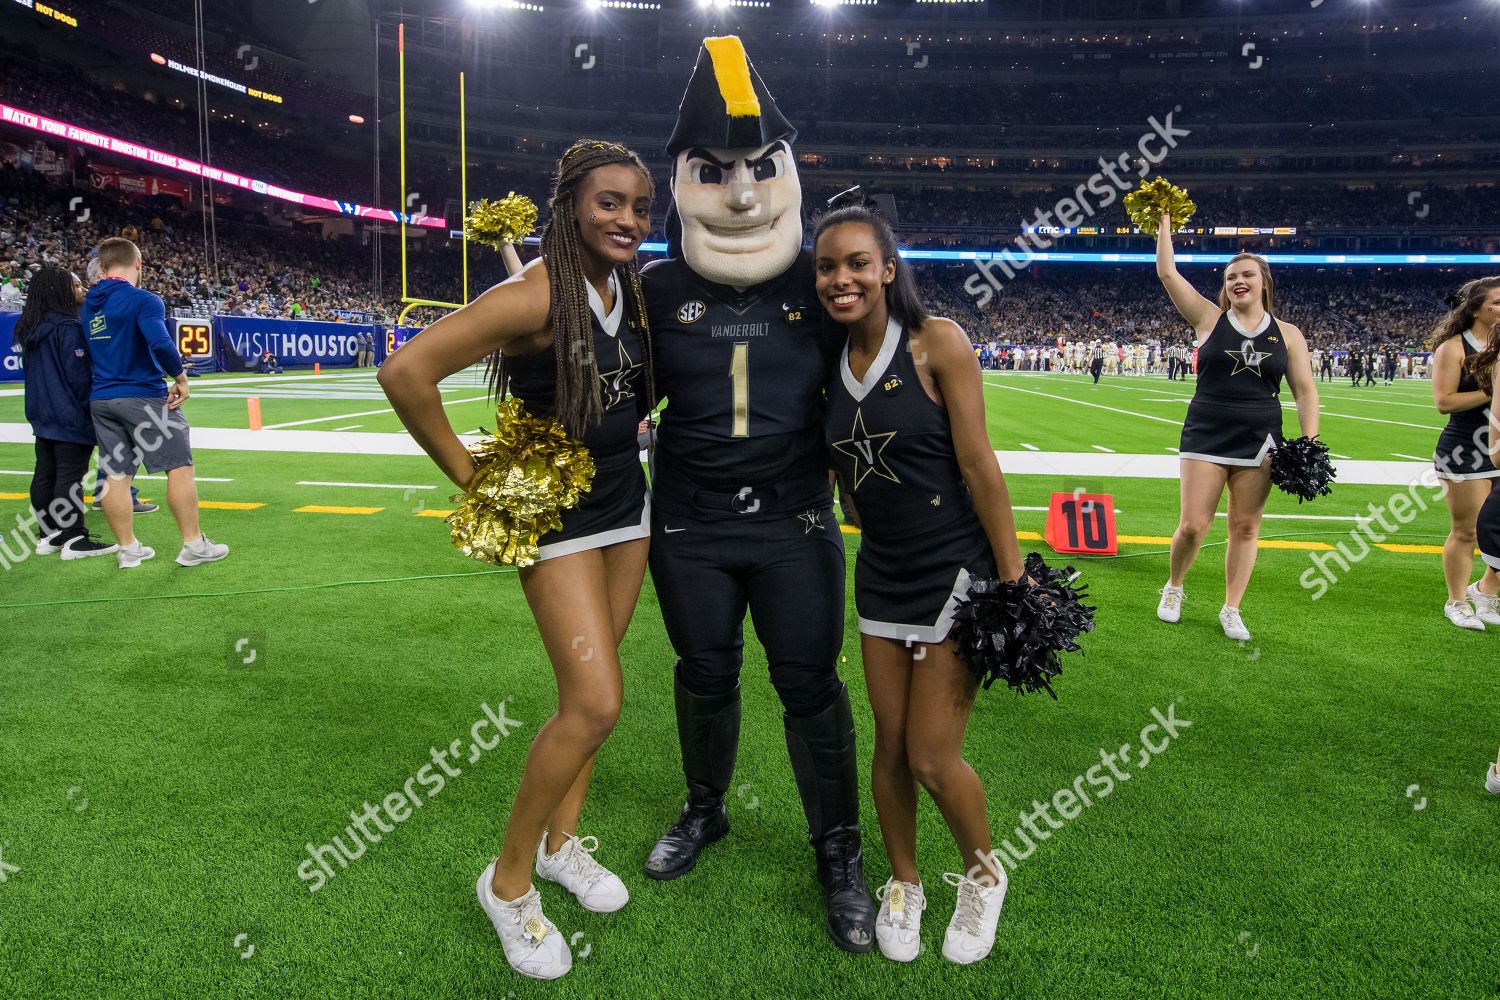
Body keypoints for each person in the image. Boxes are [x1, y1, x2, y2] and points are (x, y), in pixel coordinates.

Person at [379, 140, 656, 982]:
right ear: (572, 203)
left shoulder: (627, 287)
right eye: (609, 203)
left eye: (641, 209)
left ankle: (561, 848)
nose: (628, 221)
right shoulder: (534, 292)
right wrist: (478, 485)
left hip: (626, 507)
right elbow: (406, 371)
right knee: (594, 699)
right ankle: (507, 886)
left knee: (600, 701)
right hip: (559, 517)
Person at [639, 36, 876, 953]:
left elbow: (901, 361)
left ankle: (839, 852)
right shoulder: (656, 286)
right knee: (704, 674)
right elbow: (605, 385)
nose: (740, 197)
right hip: (689, 522)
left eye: (757, 173)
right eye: (714, 173)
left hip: (794, 520)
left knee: (809, 684)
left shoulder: (822, 284)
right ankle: (706, 808)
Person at [815, 200, 1025, 965]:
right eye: (828, 266)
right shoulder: (823, 364)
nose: (842, 279)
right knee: (891, 749)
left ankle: (982, 875)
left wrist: (1013, 582)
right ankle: (904, 882)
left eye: (857, 263)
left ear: (887, 269)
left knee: (935, 755)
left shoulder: (939, 343)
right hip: (881, 579)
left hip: (954, 573)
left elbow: (980, 467)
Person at [1153, 218, 1320, 641]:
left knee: (1245, 527)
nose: (1237, 282)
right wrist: (1164, 222)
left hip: (1261, 437)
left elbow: (1304, 392)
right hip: (1206, 430)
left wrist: (1310, 441)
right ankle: (1174, 587)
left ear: (1264, 282)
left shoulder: (1289, 334)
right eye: (1230, 278)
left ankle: (1232, 608)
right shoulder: (1209, 319)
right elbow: (1168, 273)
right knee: (1193, 524)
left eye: (1246, 275)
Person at [81, 238, 228, 569]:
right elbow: (160, 342)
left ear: (102, 267)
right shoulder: (143, 299)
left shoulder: (89, 305)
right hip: (142, 395)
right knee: (179, 468)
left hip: (102, 397)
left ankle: (129, 550)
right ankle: (193, 545)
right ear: (138, 264)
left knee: (116, 475)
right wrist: (180, 377)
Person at [17, 266, 115, 559]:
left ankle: (50, 533)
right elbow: (78, 377)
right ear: (59, 292)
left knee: (45, 473)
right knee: (69, 477)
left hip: (41, 412)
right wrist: (92, 412)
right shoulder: (68, 328)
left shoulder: (31, 328)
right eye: (75, 285)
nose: (82, 289)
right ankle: (74, 537)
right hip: (69, 413)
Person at [1426, 277, 1500, 630]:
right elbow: (1444, 402)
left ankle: (1486, 592)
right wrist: (1494, 391)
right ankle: (1457, 601)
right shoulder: (1453, 348)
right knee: (1466, 530)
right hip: (1464, 449)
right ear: (1475, 309)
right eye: (1497, 303)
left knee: (1496, 530)